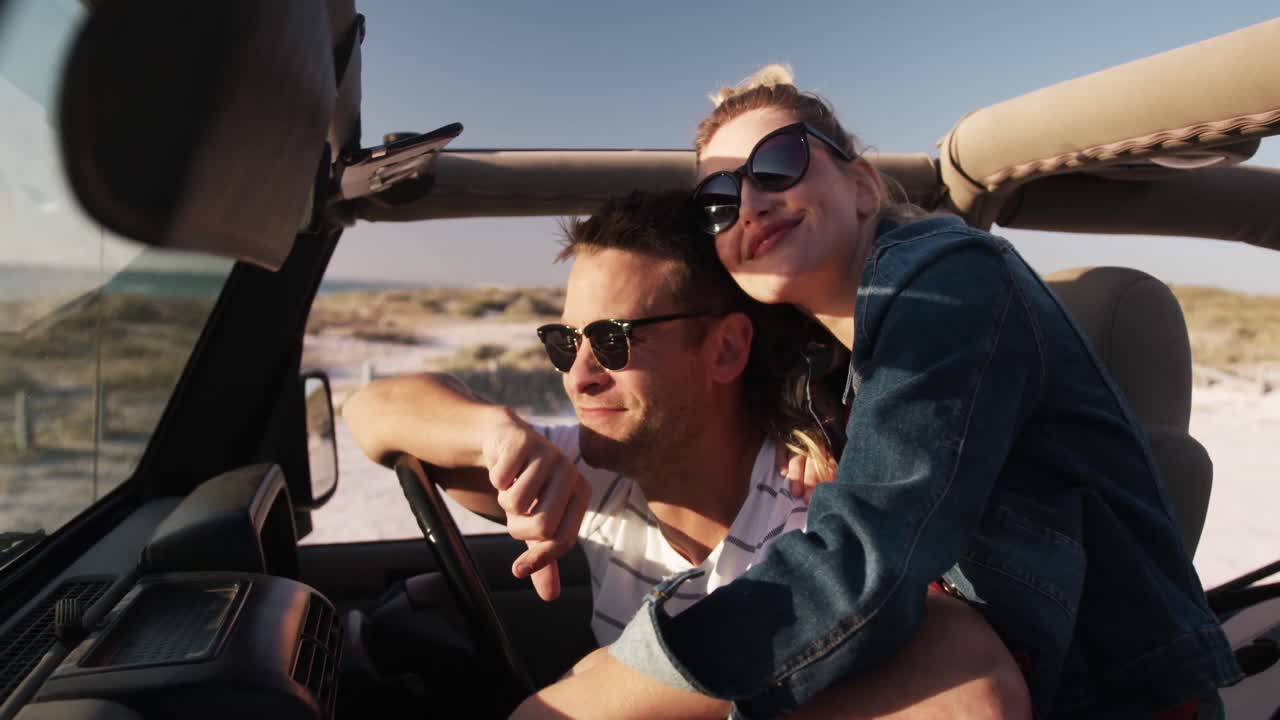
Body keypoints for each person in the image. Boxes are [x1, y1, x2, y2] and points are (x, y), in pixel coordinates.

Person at [593, 67, 1242, 719]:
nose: (750, 204)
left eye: (779, 162)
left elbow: (867, 562)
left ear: (863, 186)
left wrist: (616, 687)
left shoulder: (949, 279)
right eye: (717, 200)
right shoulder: (822, 373)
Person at [343, 191, 1031, 718]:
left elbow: (971, 688)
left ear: (726, 350)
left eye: (612, 340)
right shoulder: (595, 475)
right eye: (564, 342)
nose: (578, 376)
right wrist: (495, 433)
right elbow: (371, 411)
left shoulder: (818, 516)